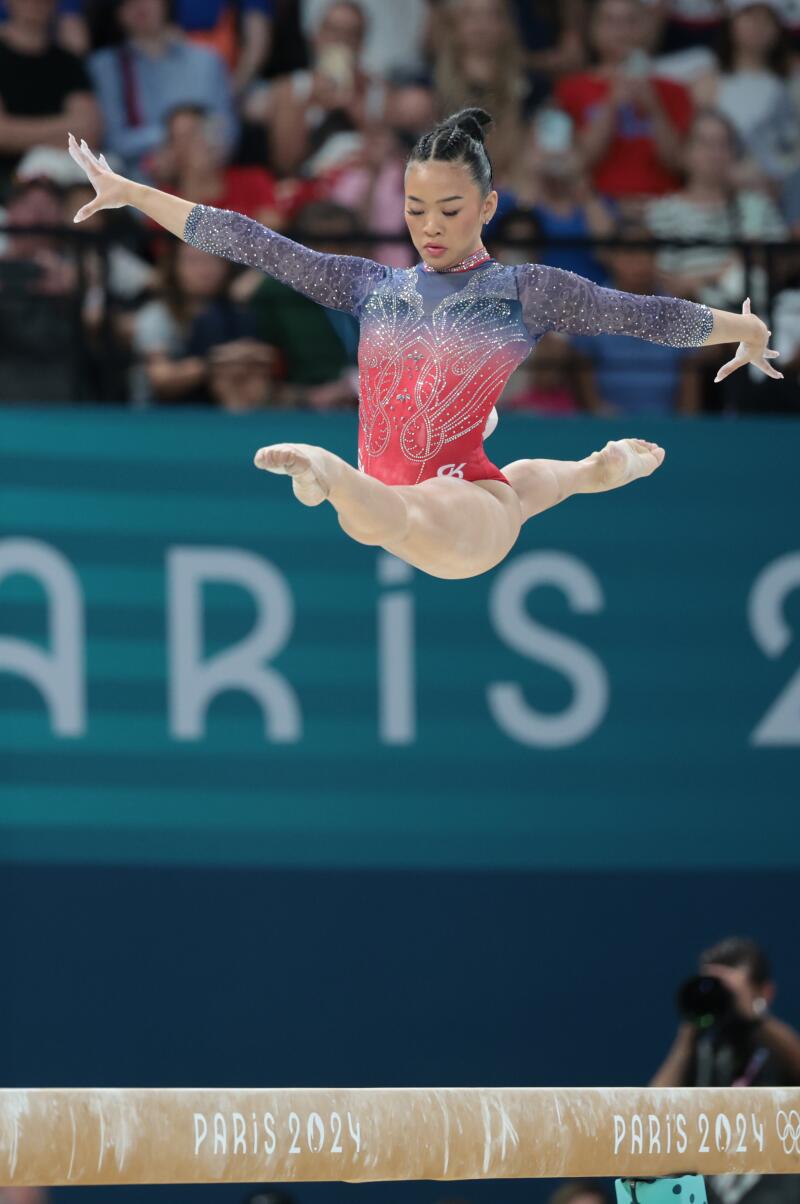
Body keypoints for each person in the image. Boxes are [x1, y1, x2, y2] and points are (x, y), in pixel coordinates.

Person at [67, 107, 783, 581]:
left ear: (488, 207)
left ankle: (332, 474)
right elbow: (252, 241)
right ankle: (595, 471)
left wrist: (742, 328)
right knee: (498, 491)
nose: (429, 227)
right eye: (414, 210)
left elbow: (642, 315)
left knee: (410, 514)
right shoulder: (369, 287)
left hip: (458, 512)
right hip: (419, 495)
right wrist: (136, 194)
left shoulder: (525, 293)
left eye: (449, 209)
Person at [651, 937, 800, 1204]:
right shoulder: (701, 1056)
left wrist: (754, 1016)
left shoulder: (778, 1051)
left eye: (727, 989)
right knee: (649, 1182)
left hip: (777, 1194)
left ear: (764, 992)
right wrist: (687, 1036)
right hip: (715, 1194)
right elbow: (647, 1115)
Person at [555, 0, 694, 209]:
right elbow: (579, 161)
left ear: (646, 28)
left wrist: (654, 107)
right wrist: (611, 103)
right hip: (598, 207)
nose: (621, 31)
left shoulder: (674, 90)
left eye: (631, 21)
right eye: (610, 21)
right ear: (593, 29)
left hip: (662, 207)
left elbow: (679, 164)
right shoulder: (571, 89)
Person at [88, 0, 238, 182]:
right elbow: (111, 141)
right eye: (126, 2)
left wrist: (186, 148)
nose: (139, 5)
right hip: (139, 184)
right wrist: (171, 141)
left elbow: (228, 132)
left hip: (207, 176)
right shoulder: (105, 66)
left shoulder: (207, 60)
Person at [0, 0, 100, 198]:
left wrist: (18, 132)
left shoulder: (68, 62)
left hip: (64, 181)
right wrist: (65, 129)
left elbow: (90, 130)